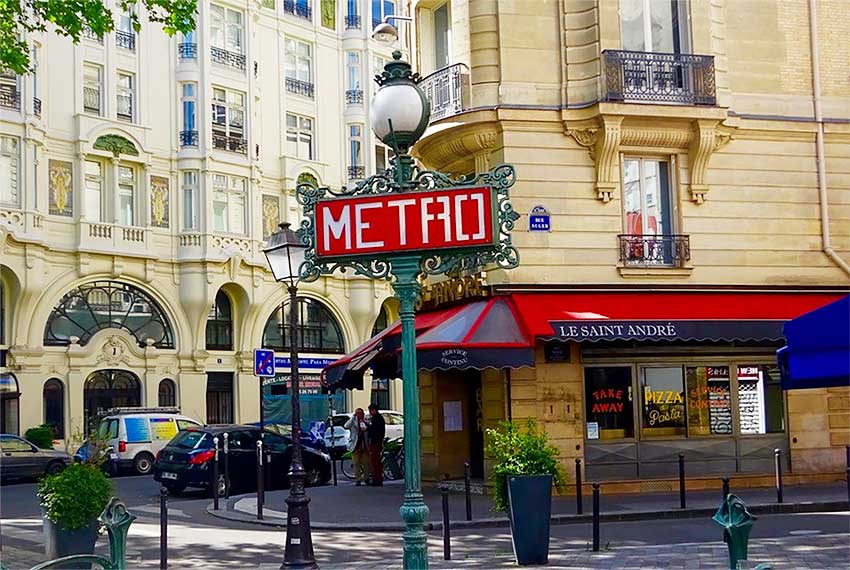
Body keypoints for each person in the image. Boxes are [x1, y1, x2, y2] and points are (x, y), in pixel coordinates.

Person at [343, 408, 369, 486]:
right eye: (358, 414)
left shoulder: (366, 420)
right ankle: (358, 479)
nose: (360, 415)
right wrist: (353, 417)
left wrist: (364, 422)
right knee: (356, 463)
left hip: (364, 445)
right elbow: (346, 426)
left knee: (366, 463)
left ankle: (366, 478)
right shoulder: (353, 421)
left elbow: (369, 427)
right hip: (355, 445)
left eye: (361, 413)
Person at [366, 403, 386, 486]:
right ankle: (378, 479)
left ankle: (377, 480)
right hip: (378, 441)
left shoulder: (376, 418)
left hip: (375, 442)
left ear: (373, 410)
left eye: (370, 410)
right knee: (376, 461)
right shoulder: (379, 418)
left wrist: (367, 427)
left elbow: (374, 430)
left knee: (375, 461)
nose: (370, 412)